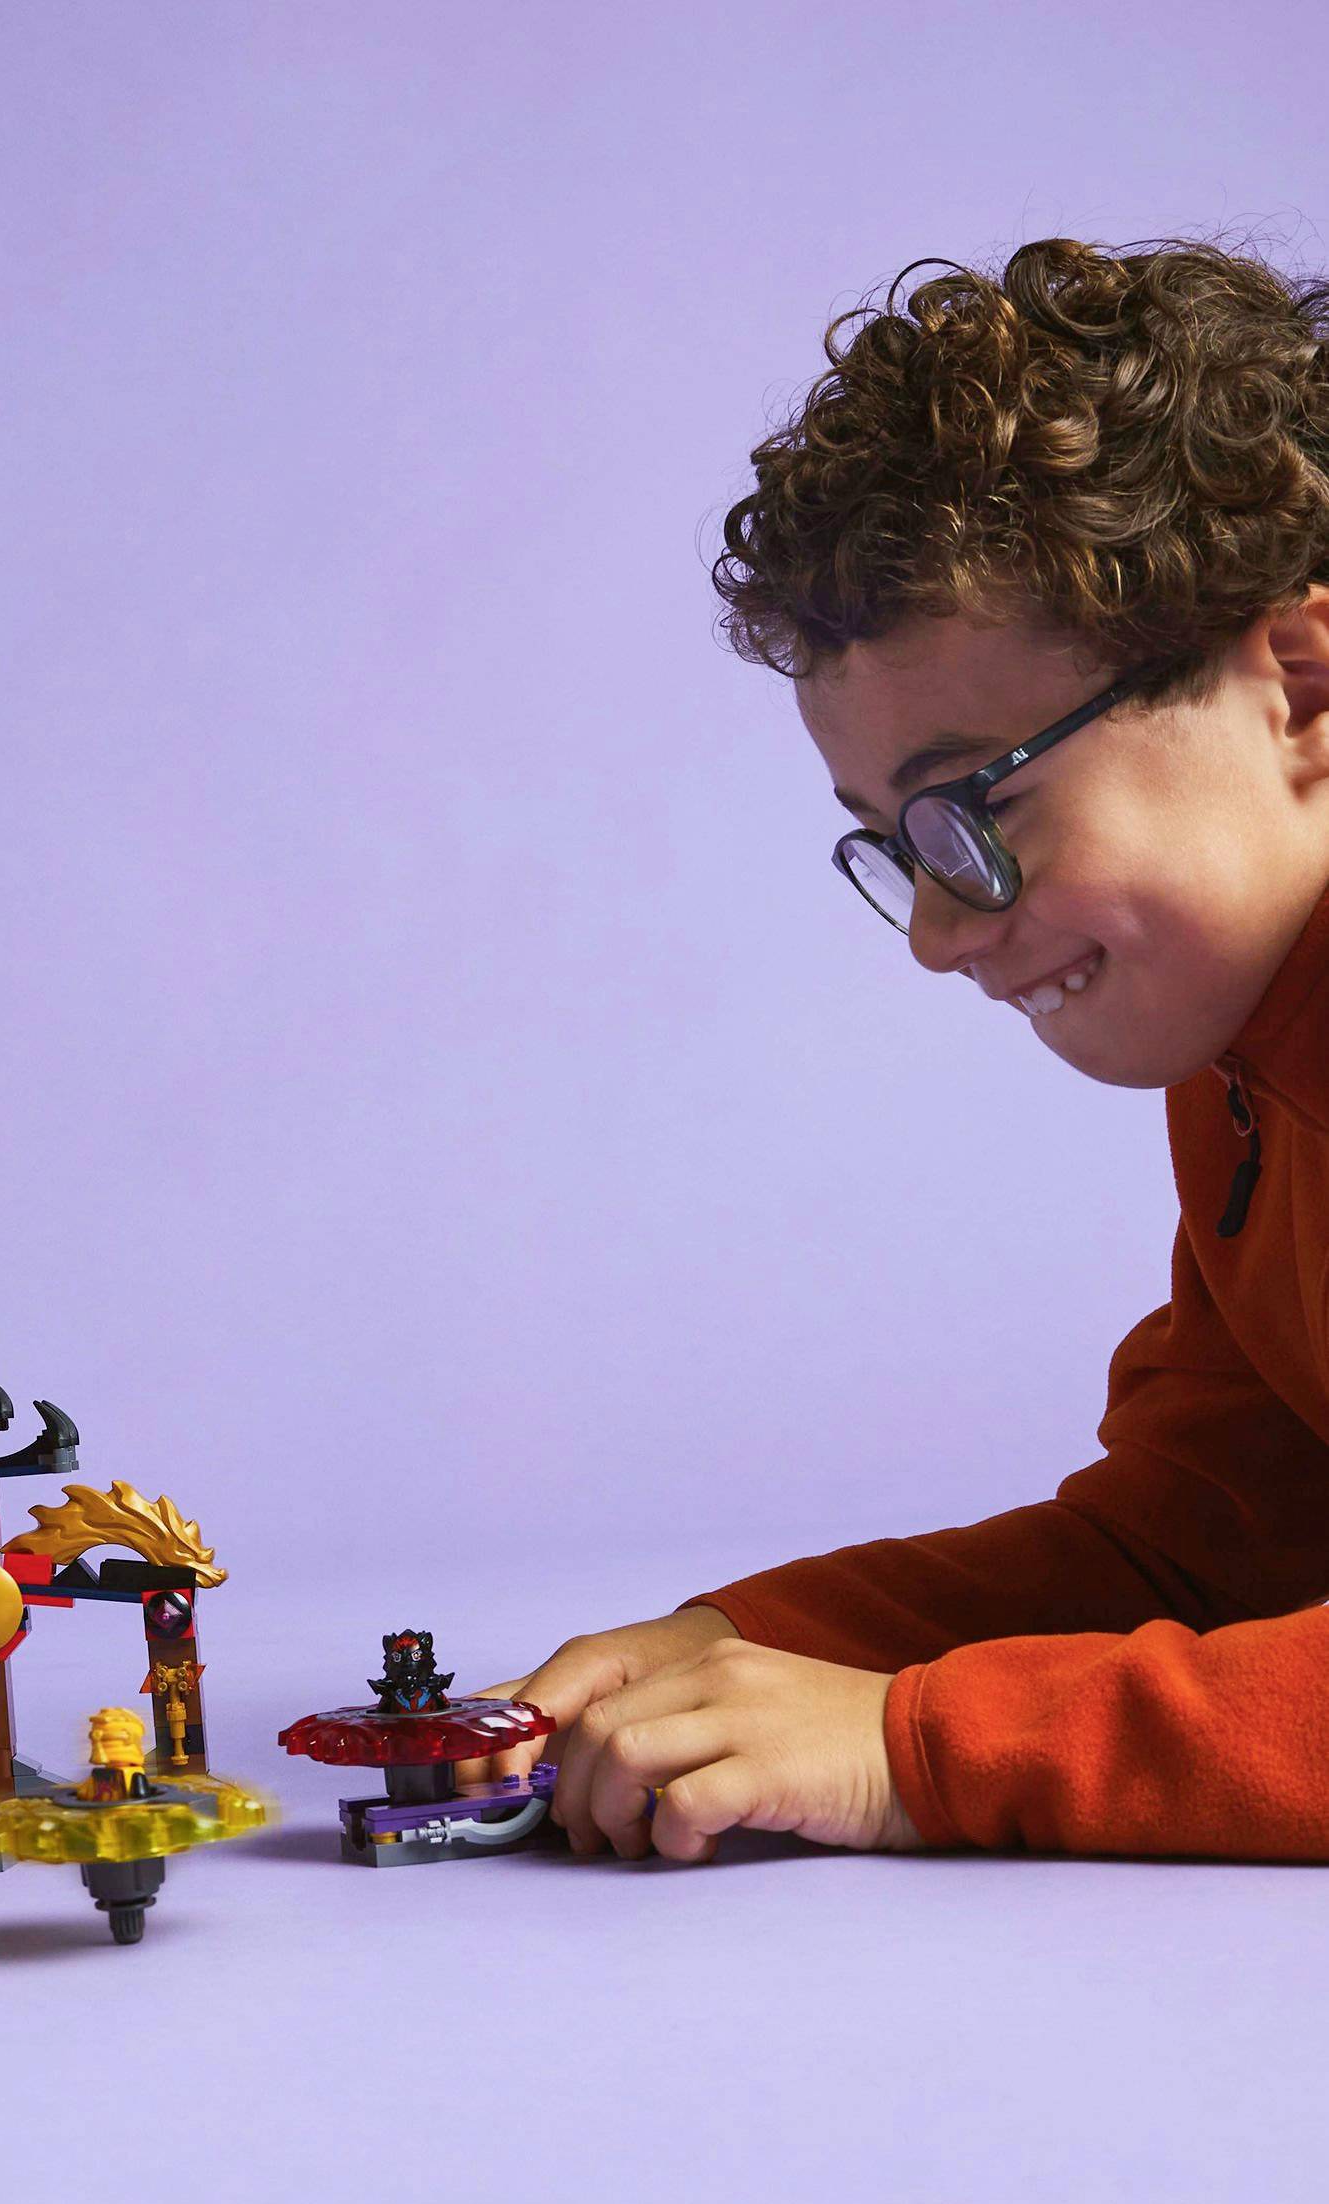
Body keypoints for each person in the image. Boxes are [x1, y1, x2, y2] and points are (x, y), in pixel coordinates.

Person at [485, 237, 1329, 1866]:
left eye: (975, 811)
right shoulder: (1247, 1075)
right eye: (893, 844)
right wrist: (764, 1649)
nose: (940, 932)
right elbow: (1211, 1547)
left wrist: (906, 1749)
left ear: (1296, 685)